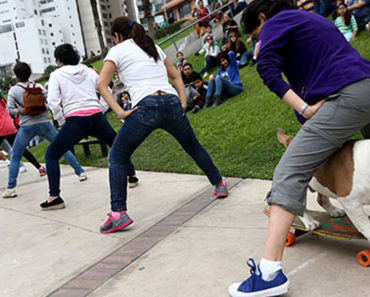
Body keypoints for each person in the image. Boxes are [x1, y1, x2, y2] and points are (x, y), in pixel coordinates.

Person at [228, 1, 370, 296]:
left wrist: (304, 109)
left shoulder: (277, 23)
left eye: (255, 33)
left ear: (263, 17)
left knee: (290, 170)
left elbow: (267, 71)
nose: (257, 40)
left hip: (347, 95)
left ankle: (269, 274)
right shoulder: (311, 19)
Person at [96, 17, 228, 234]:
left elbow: (101, 84)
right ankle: (219, 184)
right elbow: (176, 75)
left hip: (146, 106)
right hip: (171, 102)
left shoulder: (117, 50)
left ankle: (118, 213)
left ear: (117, 36)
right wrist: (182, 102)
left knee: (118, 156)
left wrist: (120, 111)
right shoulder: (153, 47)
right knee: (192, 146)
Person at [43, 43, 139, 210]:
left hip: (75, 120)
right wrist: (101, 109)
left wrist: (62, 120)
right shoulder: (88, 71)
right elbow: (106, 89)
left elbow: (53, 102)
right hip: (96, 116)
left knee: (51, 155)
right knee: (117, 144)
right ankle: (132, 175)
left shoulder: (56, 75)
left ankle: (54, 197)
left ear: (59, 60)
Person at [3, 62, 87, 199]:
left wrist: (23, 111)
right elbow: (49, 103)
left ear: (16, 75)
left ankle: (11, 187)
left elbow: (10, 110)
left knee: (16, 156)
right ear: (29, 73)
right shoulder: (39, 87)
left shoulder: (14, 90)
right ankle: (80, 171)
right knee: (62, 148)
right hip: (45, 123)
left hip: (26, 126)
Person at [0, 96, 46, 179]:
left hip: (1, 128)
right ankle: (40, 168)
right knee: (22, 149)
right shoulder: (2, 99)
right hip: (9, 127)